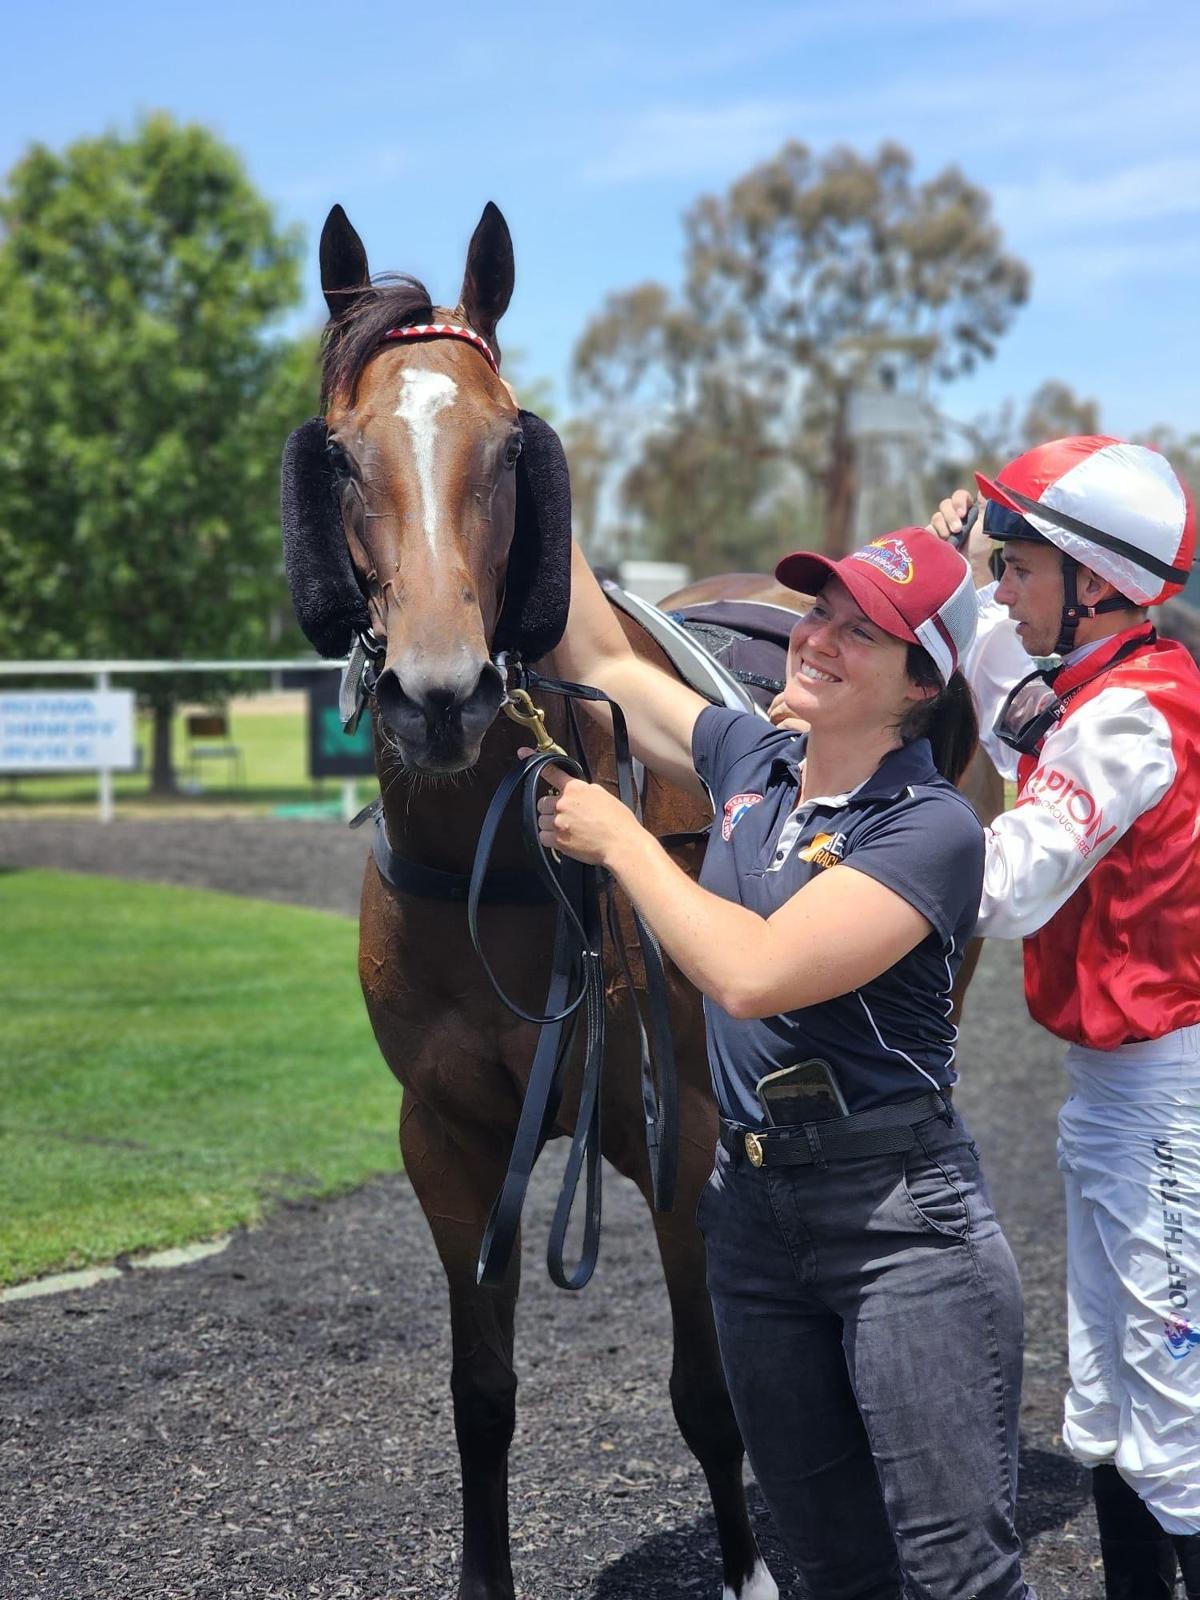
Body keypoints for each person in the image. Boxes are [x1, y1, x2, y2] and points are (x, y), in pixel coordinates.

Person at [539, 527, 1036, 1599]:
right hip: (753, 1220)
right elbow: (605, 659)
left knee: (960, 1576)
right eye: (821, 613)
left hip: (902, 1227)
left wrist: (625, 840)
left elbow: (752, 972)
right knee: (830, 1567)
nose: (816, 639)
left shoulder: (931, 828)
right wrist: (525, 453)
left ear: (920, 684)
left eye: (863, 633)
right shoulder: (751, 761)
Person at [928, 435, 1200, 1600]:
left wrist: (857, 854)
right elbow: (1010, 705)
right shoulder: (1094, 687)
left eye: (1016, 568)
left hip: (1163, 1100)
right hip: (1113, 1098)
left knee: (1174, 1407)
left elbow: (1009, 881)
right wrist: (948, 586)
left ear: (1092, 584)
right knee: (1107, 1395)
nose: (1001, 587)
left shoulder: (1128, 718)